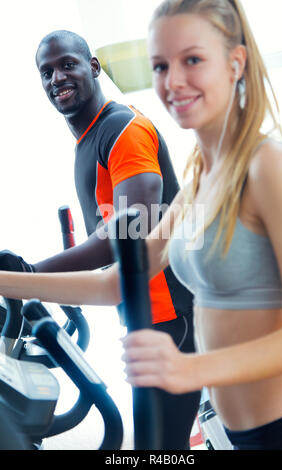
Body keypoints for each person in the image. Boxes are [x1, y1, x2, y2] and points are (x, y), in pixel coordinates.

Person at [1, 0, 282, 450]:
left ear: (235, 62)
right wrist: (11, 281)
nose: (173, 82)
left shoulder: (268, 167)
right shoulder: (203, 174)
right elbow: (121, 282)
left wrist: (193, 369)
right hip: (245, 435)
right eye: (160, 66)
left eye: (192, 60)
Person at [0, 30, 200, 450]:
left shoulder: (121, 129)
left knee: (162, 448)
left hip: (174, 315)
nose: (57, 77)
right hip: (145, 314)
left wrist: (30, 273)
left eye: (67, 65)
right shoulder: (89, 138)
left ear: (92, 68)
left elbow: (127, 235)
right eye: (46, 72)